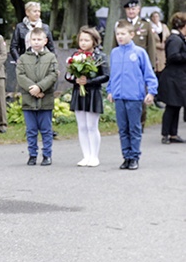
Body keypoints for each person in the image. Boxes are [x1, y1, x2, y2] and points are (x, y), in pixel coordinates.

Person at [108, 22, 158, 171]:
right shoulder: (114, 53)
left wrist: (151, 91)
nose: (120, 37)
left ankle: (135, 156)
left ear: (132, 35)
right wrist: (111, 90)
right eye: (118, 34)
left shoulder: (139, 52)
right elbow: (113, 75)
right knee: (123, 128)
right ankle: (126, 157)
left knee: (134, 128)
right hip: (119, 96)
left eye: (123, 34)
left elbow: (149, 74)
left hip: (134, 96)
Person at [64, 26, 108, 167]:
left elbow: (106, 75)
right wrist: (74, 79)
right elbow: (68, 75)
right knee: (82, 126)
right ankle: (86, 155)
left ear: (94, 41)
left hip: (93, 92)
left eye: (86, 40)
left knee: (91, 126)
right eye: (81, 40)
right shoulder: (75, 56)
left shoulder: (100, 56)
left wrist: (88, 81)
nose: (83, 43)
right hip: (79, 92)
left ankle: (94, 156)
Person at [16, 27, 58, 166]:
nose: (36, 42)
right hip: (29, 100)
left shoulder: (51, 57)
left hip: (45, 99)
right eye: (33, 39)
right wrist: (32, 89)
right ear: (29, 41)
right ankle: (32, 155)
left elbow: (53, 75)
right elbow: (20, 76)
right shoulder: (23, 58)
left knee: (46, 130)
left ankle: (47, 155)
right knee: (31, 130)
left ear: (45, 41)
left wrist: (40, 87)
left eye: (39, 39)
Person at [158, 13, 186, 144]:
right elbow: (173, 56)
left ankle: (173, 134)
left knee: (176, 106)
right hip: (172, 78)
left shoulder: (179, 38)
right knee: (171, 106)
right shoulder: (175, 40)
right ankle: (166, 133)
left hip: (177, 78)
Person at [115, 0, 157, 71]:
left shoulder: (146, 24)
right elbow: (115, 44)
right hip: (124, 61)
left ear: (138, 10)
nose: (131, 11)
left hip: (140, 62)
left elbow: (151, 45)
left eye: (133, 9)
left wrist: (152, 64)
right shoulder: (120, 24)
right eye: (128, 9)